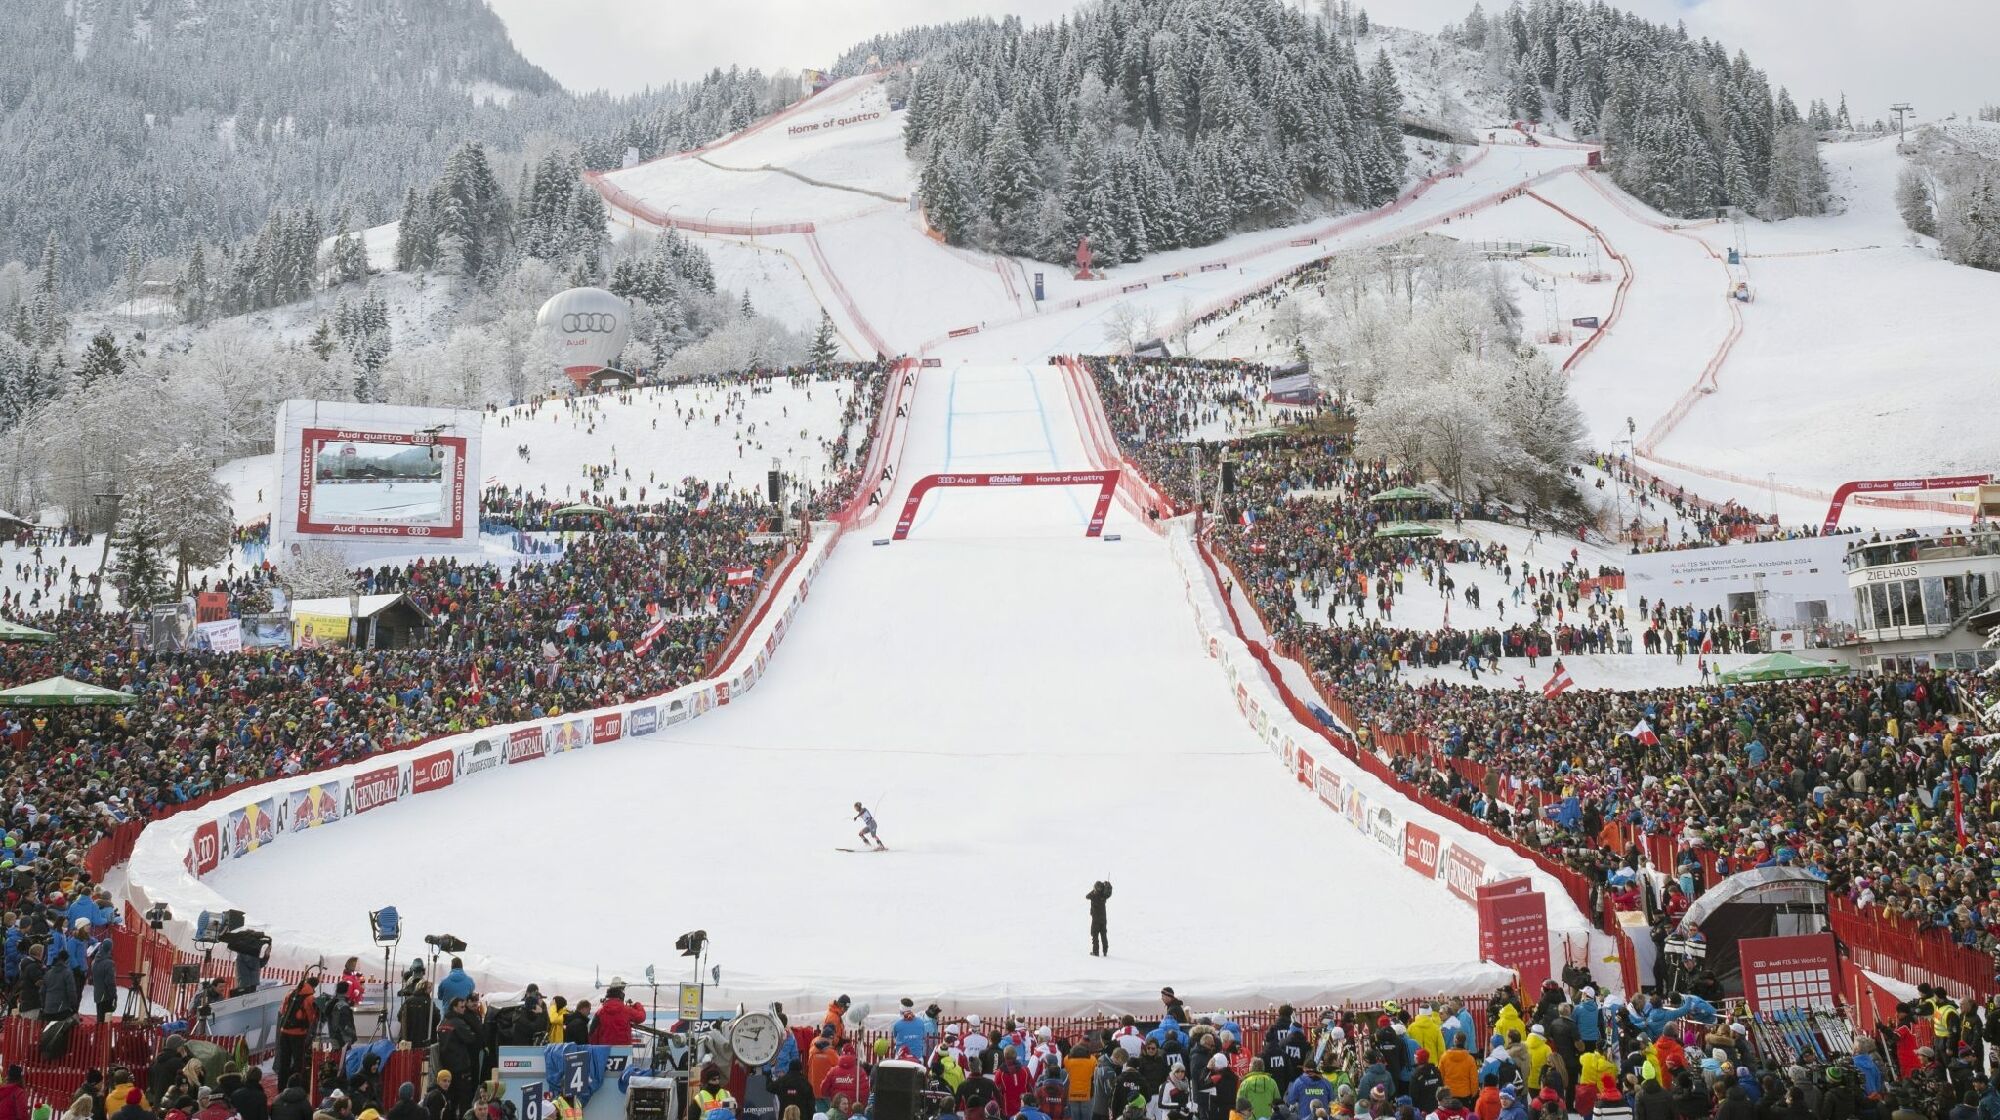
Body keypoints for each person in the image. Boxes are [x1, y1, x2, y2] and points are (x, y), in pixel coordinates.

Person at [276, 976, 320, 1088]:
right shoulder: (310, 998)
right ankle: (297, 1087)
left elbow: (282, 1010)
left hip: (284, 1031)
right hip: (298, 1034)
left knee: (284, 1061)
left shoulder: (291, 993)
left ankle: (281, 1086)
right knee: (298, 1062)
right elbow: (312, 1018)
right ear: (314, 986)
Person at [1088, 882, 1113, 957]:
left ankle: (1095, 952)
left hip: (1096, 920)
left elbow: (1087, 896)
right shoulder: (1103, 896)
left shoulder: (1093, 896)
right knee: (1104, 935)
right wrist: (1108, 887)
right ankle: (1105, 951)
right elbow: (1108, 893)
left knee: (1095, 935)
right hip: (1103, 920)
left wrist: (1096, 890)